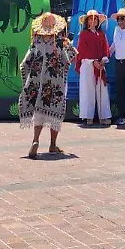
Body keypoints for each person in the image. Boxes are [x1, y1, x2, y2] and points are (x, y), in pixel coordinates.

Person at [19, 12, 74, 157]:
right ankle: (53, 144)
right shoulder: (60, 41)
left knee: (39, 112)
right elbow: (69, 59)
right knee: (55, 111)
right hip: (55, 83)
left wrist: (27, 81)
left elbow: (25, 63)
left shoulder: (36, 41)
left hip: (38, 82)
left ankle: (35, 140)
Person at [74, 10, 111, 126]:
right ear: (87, 21)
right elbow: (82, 51)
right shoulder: (83, 34)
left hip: (100, 65)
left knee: (102, 91)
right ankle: (88, 116)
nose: (93, 21)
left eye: (95, 19)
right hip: (87, 65)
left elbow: (106, 49)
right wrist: (92, 61)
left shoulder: (102, 35)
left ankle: (104, 116)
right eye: (90, 19)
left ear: (98, 21)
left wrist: (103, 61)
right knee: (88, 90)